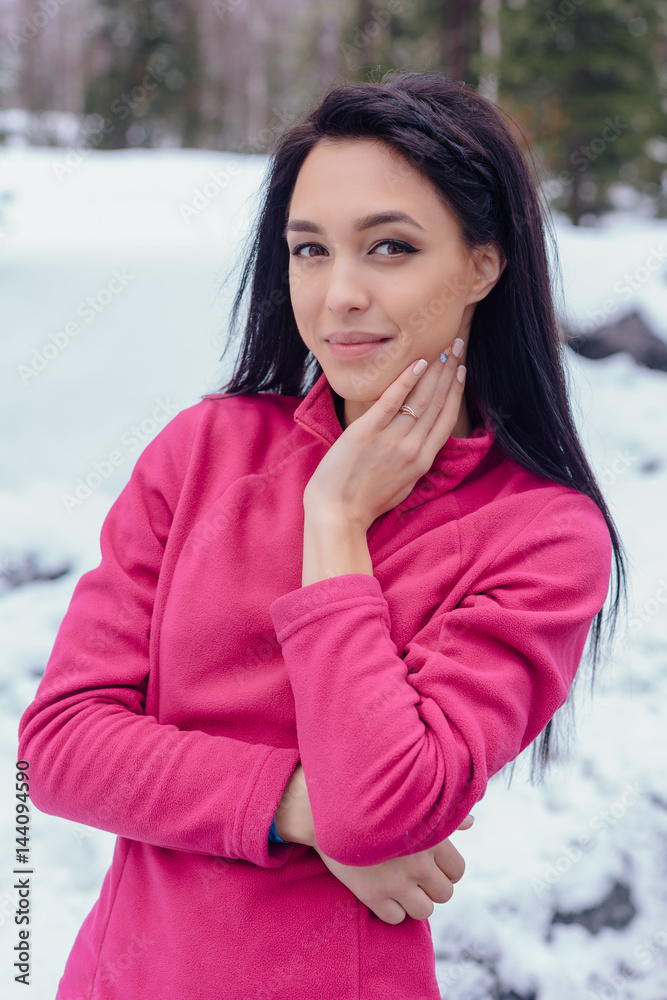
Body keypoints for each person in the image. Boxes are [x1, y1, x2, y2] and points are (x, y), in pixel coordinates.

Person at [17, 71, 627, 1000]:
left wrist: (335, 523)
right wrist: (293, 807)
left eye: (389, 246)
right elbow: (57, 747)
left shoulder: (540, 536)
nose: (339, 293)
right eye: (309, 249)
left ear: (482, 264)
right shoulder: (202, 453)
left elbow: (381, 809)